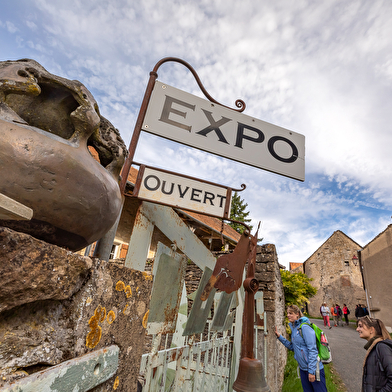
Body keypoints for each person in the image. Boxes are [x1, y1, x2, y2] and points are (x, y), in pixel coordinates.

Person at [275, 305, 328, 392]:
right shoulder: (295, 329)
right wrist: (279, 337)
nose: (288, 315)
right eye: (287, 313)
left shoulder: (304, 327)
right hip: (303, 369)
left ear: (297, 314)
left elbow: (312, 349)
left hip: (314, 369)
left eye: (291, 313)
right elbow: (293, 347)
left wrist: (311, 371)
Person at [356, 315, 392, 391]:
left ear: (371, 330)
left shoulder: (382, 347)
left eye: (360, 326)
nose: (357, 329)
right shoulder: (374, 347)